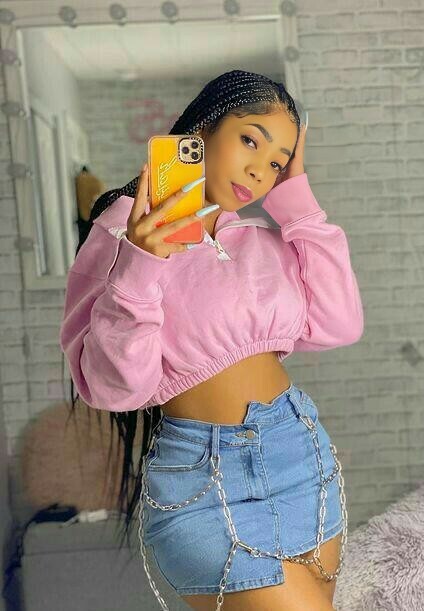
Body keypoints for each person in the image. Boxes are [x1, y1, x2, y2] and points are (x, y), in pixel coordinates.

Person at [59, 69, 364, 611]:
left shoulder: (258, 237)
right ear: (202, 130)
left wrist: (297, 203)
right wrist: (141, 263)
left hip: (300, 459)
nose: (260, 170)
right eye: (250, 140)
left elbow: (338, 323)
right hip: (204, 482)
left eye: (278, 163)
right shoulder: (122, 230)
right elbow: (114, 389)